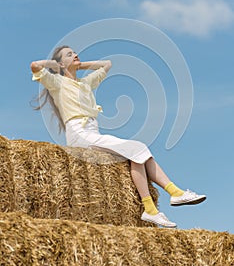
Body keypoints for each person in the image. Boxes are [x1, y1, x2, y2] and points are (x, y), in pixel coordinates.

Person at [30, 45, 206, 228]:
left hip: (92, 131)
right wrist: (58, 66)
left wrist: (79, 65)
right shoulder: (57, 83)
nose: (75, 54)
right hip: (79, 133)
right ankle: (174, 192)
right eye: (69, 54)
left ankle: (151, 210)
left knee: (136, 156)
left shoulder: (85, 84)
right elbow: (35, 65)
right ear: (60, 63)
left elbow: (107, 64)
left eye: (75, 52)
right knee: (138, 147)